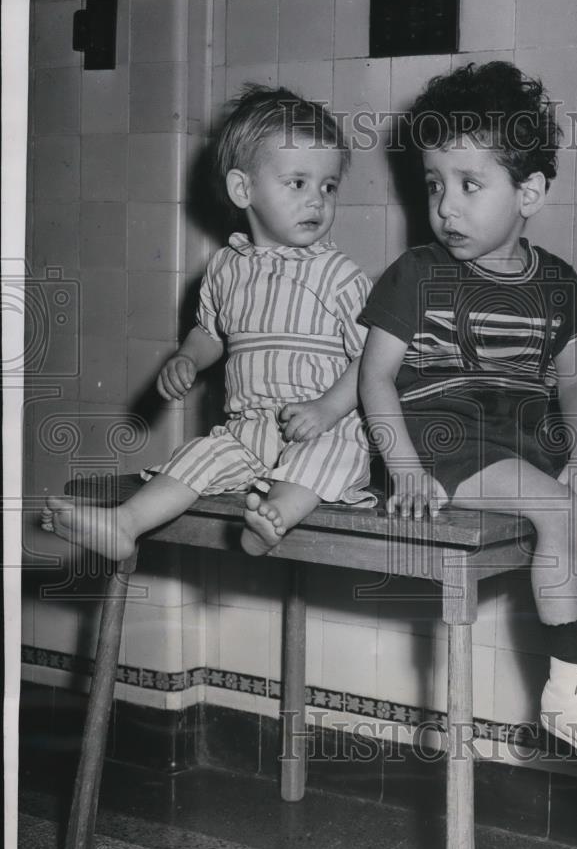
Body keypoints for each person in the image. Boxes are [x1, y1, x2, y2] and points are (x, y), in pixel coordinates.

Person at [359, 61, 577, 766]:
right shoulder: (418, 273)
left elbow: (575, 382)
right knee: (561, 514)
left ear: (530, 192)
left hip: (524, 441)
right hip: (442, 440)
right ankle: (568, 689)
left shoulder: (556, 281)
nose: (446, 206)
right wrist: (405, 469)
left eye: (469, 185)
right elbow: (376, 379)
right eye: (434, 186)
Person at [43, 85, 373, 558]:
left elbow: (371, 357)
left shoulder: (339, 275)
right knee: (198, 455)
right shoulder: (225, 267)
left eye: (328, 186)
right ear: (243, 189)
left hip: (325, 424)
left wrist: (327, 409)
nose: (317, 200)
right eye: (298, 183)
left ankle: (271, 520)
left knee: (327, 458)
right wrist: (187, 357)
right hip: (250, 426)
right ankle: (124, 523)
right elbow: (211, 333)